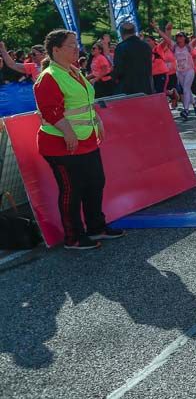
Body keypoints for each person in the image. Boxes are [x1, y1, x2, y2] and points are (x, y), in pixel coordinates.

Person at [33, 29, 126, 250]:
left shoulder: (73, 71)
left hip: (86, 140)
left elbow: (85, 101)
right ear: (56, 50)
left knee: (95, 183)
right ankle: (73, 237)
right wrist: (67, 131)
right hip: (61, 145)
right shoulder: (48, 77)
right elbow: (50, 111)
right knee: (71, 191)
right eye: (71, 45)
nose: (77, 49)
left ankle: (96, 228)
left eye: (77, 45)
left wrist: (98, 121)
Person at [153, 22, 196, 119]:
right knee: (185, 89)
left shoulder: (189, 46)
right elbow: (166, 38)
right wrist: (157, 29)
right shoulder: (174, 47)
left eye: (180, 36)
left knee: (186, 89)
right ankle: (195, 103)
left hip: (189, 71)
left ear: (184, 38)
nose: (179, 37)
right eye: (177, 36)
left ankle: (186, 110)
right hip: (179, 72)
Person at [110, 23, 153, 95]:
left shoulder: (121, 47)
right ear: (134, 31)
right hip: (145, 87)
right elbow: (149, 67)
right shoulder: (146, 46)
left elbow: (119, 69)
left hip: (128, 89)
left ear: (121, 33)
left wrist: (113, 75)